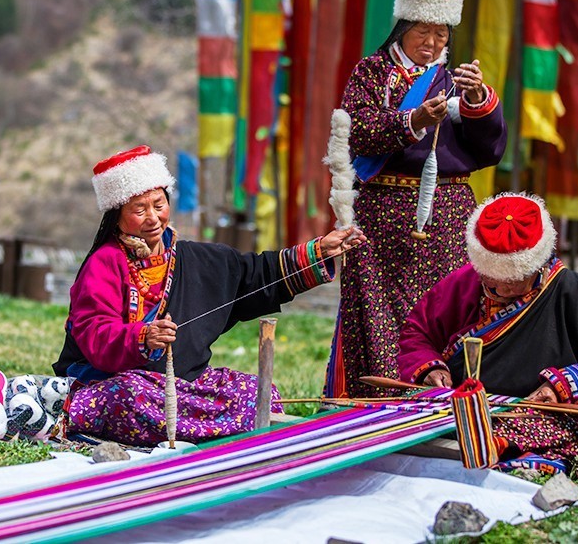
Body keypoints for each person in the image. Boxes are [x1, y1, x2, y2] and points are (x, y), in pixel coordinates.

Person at [53, 145, 365, 446]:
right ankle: (217, 429)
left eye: (158, 205)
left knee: (258, 392)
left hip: (183, 386)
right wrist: (143, 336)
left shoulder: (196, 259)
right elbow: (93, 333)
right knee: (131, 395)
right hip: (114, 384)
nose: (152, 218)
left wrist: (319, 251)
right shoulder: (104, 263)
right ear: (117, 215)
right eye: (139, 209)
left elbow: (255, 274)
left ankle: (204, 429)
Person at [325, 0, 508, 399]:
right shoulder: (372, 73)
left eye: (440, 34)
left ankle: (442, 398)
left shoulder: (456, 81)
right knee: (377, 309)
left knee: (447, 304)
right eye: (422, 32)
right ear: (403, 29)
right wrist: (414, 120)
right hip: (382, 212)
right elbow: (360, 133)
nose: (431, 42)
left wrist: (479, 100)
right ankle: (378, 399)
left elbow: (489, 150)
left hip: (446, 212)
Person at [398, 192, 578, 472]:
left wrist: (560, 386)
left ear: (537, 266)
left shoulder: (568, 289)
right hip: (462, 411)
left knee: (548, 433)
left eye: (512, 282)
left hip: (540, 416)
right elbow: (417, 333)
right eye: (492, 283)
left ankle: (493, 447)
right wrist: (429, 368)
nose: (501, 291)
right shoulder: (466, 282)